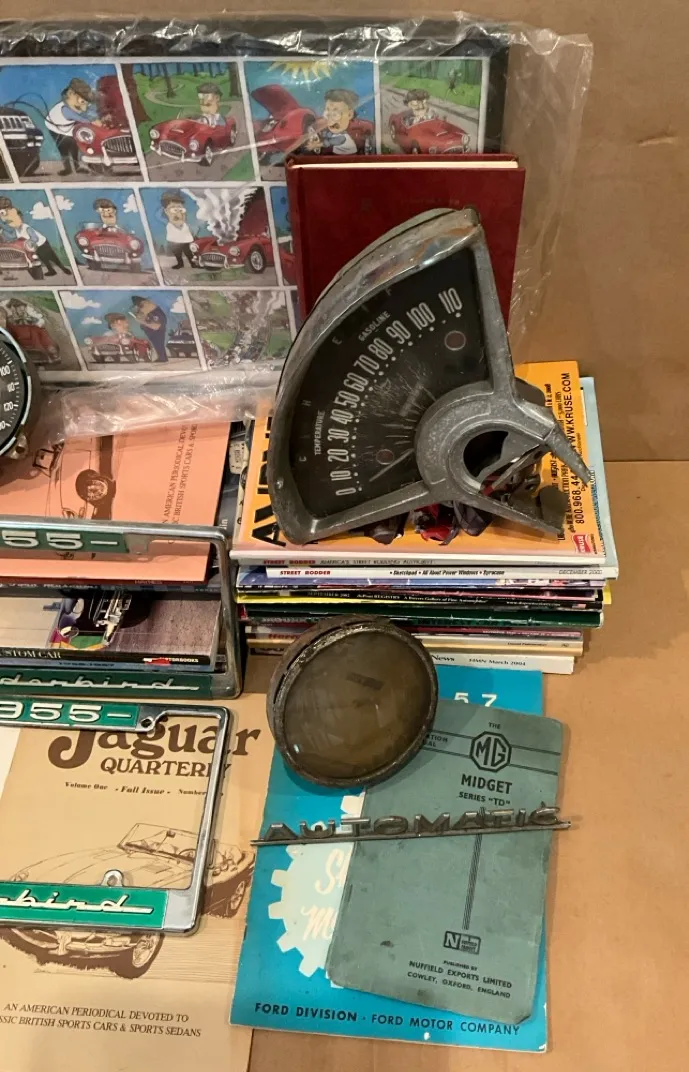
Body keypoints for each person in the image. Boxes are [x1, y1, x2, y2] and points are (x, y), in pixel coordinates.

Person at [0, 196, 72, 278]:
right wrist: (2, 231)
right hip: (34, 247)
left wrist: (30, 242)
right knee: (43, 258)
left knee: (52, 257)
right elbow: (11, 237)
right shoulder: (15, 230)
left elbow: (35, 238)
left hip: (42, 243)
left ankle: (63, 268)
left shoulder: (26, 227)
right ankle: (51, 270)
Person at [44, 76, 100, 176]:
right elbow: (78, 118)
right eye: (82, 102)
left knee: (74, 148)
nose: (84, 108)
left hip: (68, 128)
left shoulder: (70, 108)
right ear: (70, 94)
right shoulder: (65, 109)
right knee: (63, 149)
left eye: (86, 104)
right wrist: (91, 122)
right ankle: (68, 168)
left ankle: (77, 167)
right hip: (56, 129)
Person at [160, 190, 195, 270]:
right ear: (166, 211)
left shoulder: (185, 226)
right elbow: (158, 216)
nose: (179, 214)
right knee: (177, 253)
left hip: (186, 240)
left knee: (188, 252)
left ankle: (193, 263)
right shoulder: (170, 226)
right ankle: (180, 263)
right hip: (174, 241)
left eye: (181, 210)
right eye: (174, 210)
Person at [131, 295, 168, 363]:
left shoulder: (156, 312)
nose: (141, 308)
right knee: (157, 344)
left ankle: (162, 358)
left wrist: (143, 322)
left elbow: (157, 326)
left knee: (158, 344)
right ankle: (162, 357)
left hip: (156, 331)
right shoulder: (149, 311)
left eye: (141, 305)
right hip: (151, 331)